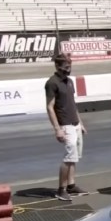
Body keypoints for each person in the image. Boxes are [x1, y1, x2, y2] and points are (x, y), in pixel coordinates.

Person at [45, 54, 88, 201]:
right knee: (68, 158)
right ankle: (61, 189)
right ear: (57, 66)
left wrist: (80, 122)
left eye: (69, 67)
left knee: (74, 157)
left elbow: (72, 103)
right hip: (65, 125)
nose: (68, 70)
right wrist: (57, 128)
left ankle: (71, 185)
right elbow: (50, 107)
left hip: (75, 123)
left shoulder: (69, 81)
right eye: (65, 67)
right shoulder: (52, 83)